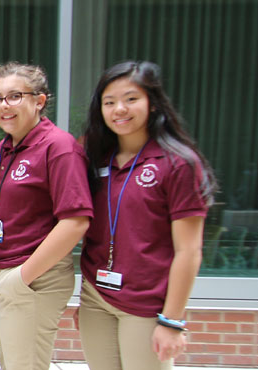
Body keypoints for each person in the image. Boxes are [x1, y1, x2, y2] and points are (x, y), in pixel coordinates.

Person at [76, 61, 216, 370]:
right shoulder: (96, 158)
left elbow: (189, 251)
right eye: (109, 102)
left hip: (146, 305)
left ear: (153, 103)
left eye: (131, 99)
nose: (119, 109)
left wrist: (172, 321)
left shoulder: (178, 164)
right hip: (96, 298)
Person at [0, 62, 93, 370]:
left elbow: (76, 221)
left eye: (14, 96)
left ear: (39, 101)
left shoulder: (59, 147)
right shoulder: (5, 147)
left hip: (31, 278)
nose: (4, 105)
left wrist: (21, 278)